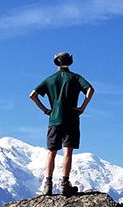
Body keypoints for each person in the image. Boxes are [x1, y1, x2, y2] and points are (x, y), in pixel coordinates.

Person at [29, 51, 95, 196]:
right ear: (70, 62)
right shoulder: (75, 78)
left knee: (51, 152)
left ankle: (48, 185)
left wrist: (46, 110)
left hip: (54, 119)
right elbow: (90, 89)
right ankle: (65, 184)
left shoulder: (49, 80)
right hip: (71, 118)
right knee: (67, 152)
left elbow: (32, 95)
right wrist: (83, 107)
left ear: (56, 63)